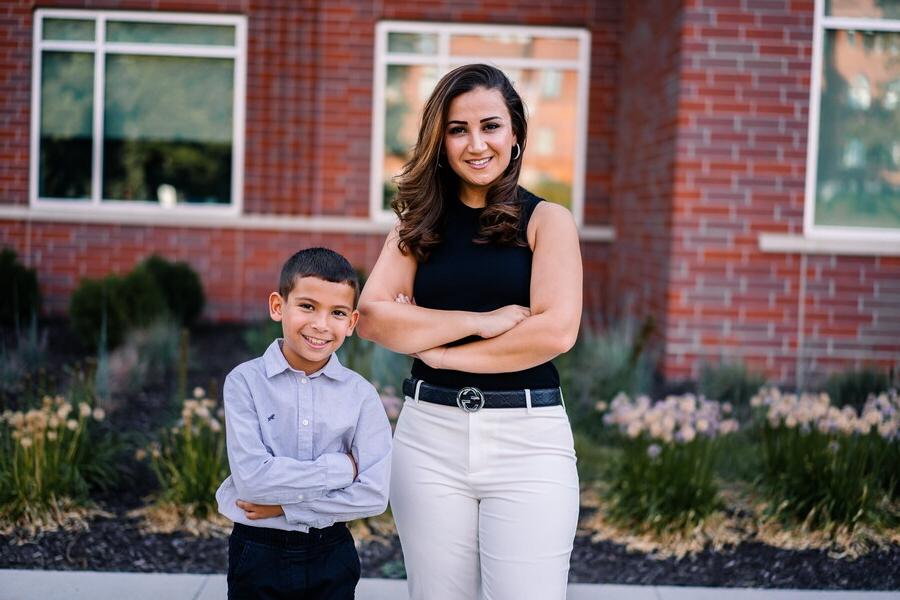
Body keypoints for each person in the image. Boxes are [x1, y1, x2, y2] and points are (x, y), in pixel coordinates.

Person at [357, 64, 582, 600]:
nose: (476, 144)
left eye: (491, 126)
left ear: (516, 134)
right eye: (458, 129)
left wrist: (439, 353)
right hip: (427, 439)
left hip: (529, 443)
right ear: (440, 139)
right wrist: (480, 324)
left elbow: (554, 332)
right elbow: (372, 316)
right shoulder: (419, 222)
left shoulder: (547, 222)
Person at [216, 247, 392, 600]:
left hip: (331, 552)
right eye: (307, 306)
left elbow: (373, 496)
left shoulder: (361, 396)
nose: (321, 325)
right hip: (257, 550)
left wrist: (286, 508)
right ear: (278, 306)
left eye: (337, 313)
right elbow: (252, 482)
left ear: (352, 323)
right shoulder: (245, 382)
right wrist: (342, 470)